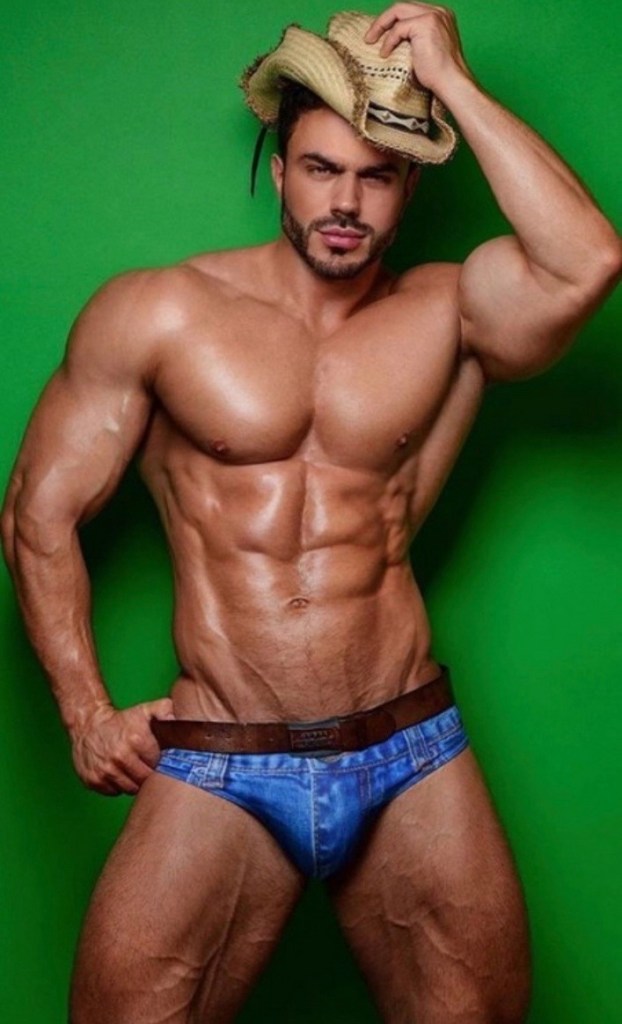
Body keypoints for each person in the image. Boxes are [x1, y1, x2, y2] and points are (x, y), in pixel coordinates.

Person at [1, 4, 619, 1022]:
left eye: (378, 176)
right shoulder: (160, 311)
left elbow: (585, 261)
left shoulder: (450, 309)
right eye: (322, 168)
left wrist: (453, 84)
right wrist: (85, 711)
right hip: (223, 752)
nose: (346, 202)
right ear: (279, 167)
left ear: (409, 186)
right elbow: (38, 510)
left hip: (409, 746)